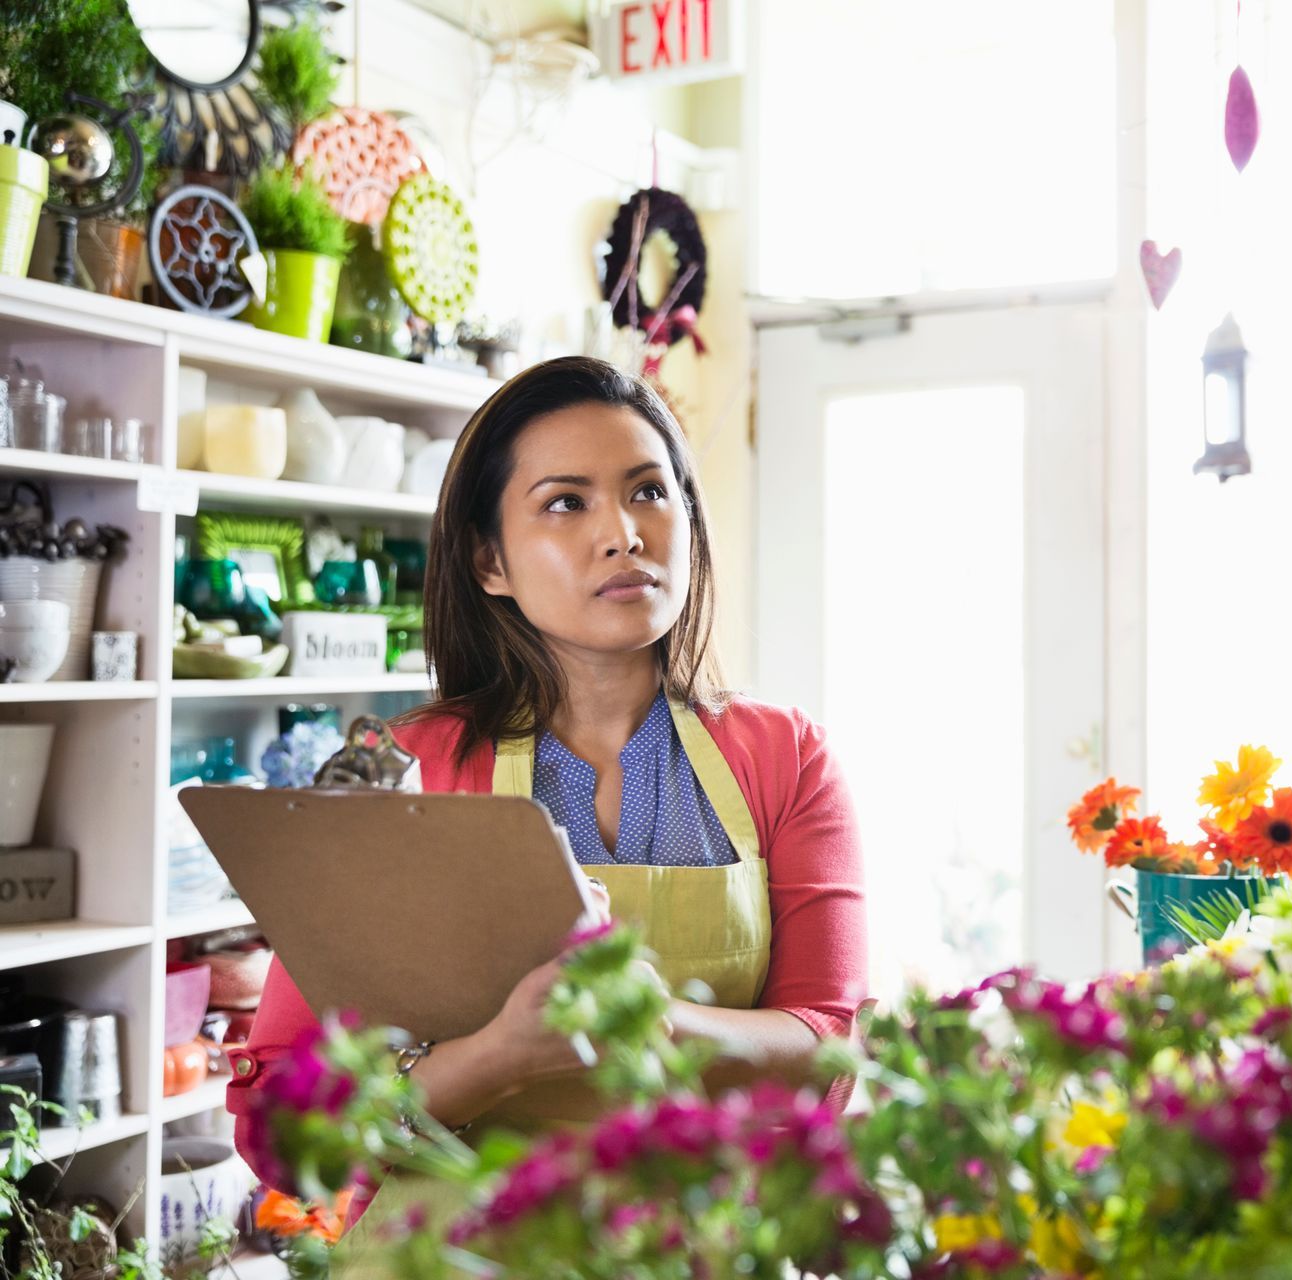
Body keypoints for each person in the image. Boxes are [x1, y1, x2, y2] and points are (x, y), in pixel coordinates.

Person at [226, 357, 868, 1262]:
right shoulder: (413, 767)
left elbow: (831, 1048)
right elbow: (280, 1124)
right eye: (567, 502)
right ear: (490, 560)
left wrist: (655, 1023)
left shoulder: (785, 756)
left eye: (649, 491)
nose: (623, 533)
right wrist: (502, 1056)